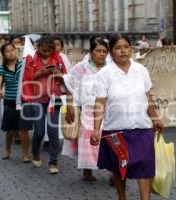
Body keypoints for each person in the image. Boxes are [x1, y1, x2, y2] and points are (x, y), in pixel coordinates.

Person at [91, 34, 163, 200]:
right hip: (116, 129)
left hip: (142, 127)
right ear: (111, 52)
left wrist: (155, 118)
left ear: (131, 49)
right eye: (118, 48)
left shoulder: (141, 70)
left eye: (126, 47)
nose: (123, 51)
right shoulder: (104, 74)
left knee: (145, 165)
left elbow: (148, 97)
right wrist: (96, 129)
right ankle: (121, 197)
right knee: (119, 167)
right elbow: (100, 103)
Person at [63, 37, 109, 181]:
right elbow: (68, 85)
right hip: (87, 112)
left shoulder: (111, 68)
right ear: (91, 51)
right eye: (98, 51)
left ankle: (113, 171)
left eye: (104, 51)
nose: (101, 54)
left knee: (109, 140)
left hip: (109, 111)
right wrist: (70, 106)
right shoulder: (81, 68)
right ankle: (87, 169)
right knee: (88, 140)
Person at [24, 35, 66, 174]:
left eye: (49, 51)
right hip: (37, 99)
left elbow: (65, 76)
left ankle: (53, 162)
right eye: (43, 50)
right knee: (39, 131)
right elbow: (29, 78)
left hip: (55, 98)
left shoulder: (58, 58)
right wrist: (43, 71)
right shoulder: (32, 59)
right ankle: (35, 152)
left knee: (53, 131)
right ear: (38, 48)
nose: (46, 53)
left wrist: (57, 72)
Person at [0, 43, 31, 162]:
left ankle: (25, 154)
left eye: (12, 50)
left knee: (23, 130)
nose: (10, 53)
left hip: (24, 101)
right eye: (7, 51)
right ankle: (7, 148)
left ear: (16, 51)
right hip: (9, 101)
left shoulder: (23, 64)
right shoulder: (1, 68)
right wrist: (0, 92)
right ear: (3, 54)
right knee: (10, 130)